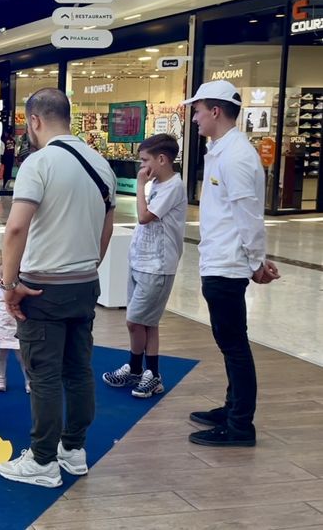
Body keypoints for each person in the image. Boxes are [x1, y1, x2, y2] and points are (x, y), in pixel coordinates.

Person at [0, 88, 117, 488]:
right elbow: (106, 229)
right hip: (85, 285)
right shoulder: (102, 165)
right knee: (78, 370)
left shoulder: (39, 163)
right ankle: (73, 449)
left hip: (42, 288)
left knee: (44, 374)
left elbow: (16, 228)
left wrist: (10, 283)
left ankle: (43, 461)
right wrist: (86, 268)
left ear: (34, 121)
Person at [182, 80, 279, 447]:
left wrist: (256, 262)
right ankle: (232, 407)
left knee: (234, 344)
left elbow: (248, 215)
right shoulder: (222, 150)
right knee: (229, 343)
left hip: (227, 265)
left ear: (216, 111)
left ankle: (240, 425)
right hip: (219, 260)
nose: (194, 117)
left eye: (198, 110)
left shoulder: (236, 156)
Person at [102, 134, 187, 399]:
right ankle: (142, 370)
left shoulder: (173, 186)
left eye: (145, 160)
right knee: (146, 322)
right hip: (141, 261)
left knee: (135, 321)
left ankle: (148, 372)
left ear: (162, 159)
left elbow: (144, 217)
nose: (142, 167)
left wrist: (140, 185)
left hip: (158, 266)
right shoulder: (161, 185)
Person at [0, 265, 30, 394]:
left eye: (4, 275)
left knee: (22, 357)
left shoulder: (19, 293)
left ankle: (29, 380)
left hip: (16, 330)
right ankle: (0, 379)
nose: (0, 278)